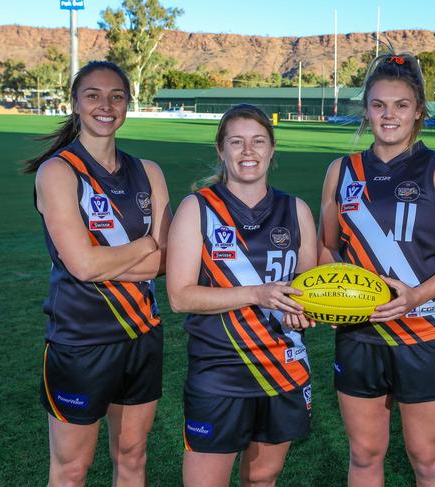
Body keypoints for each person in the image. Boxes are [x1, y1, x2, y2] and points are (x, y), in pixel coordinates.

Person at [317, 52, 435, 486]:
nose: (389, 115)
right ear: (366, 108)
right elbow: (326, 247)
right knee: (365, 455)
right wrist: (334, 298)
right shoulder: (342, 171)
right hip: (360, 334)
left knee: (427, 459)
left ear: (419, 112)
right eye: (378, 105)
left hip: (424, 331)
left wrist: (415, 296)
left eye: (401, 105)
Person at [26, 60, 171, 487]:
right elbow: (82, 265)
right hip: (80, 340)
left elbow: (168, 262)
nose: (105, 105)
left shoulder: (149, 171)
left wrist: (112, 260)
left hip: (142, 334)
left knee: (132, 457)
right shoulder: (58, 171)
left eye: (116, 96)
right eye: (93, 95)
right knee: (71, 471)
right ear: (75, 103)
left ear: (128, 103)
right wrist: (145, 245)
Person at [166, 104, 317, 487]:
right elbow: (180, 297)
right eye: (237, 142)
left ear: (272, 149)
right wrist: (257, 293)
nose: (248, 152)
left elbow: (307, 290)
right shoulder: (197, 208)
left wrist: (304, 311)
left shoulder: (295, 210)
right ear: (221, 149)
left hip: (283, 369)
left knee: (263, 477)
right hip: (218, 371)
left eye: (258, 142)